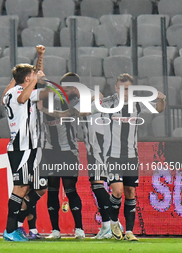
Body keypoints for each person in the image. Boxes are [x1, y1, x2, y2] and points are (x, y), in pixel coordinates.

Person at [98, 73, 166, 241]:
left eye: (127, 89)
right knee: (118, 190)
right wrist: (94, 98)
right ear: (116, 88)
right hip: (112, 156)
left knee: (130, 192)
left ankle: (129, 231)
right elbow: (91, 108)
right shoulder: (109, 103)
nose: (124, 92)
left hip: (131, 157)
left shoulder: (137, 105)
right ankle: (114, 221)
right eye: (121, 88)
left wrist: (161, 99)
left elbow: (158, 109)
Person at [2, 63, 49, 241]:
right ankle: (10, 229)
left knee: (37, 186)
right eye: (32, 76)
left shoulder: (9, 92)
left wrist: (35, 76)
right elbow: (23, 98)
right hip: (22, 147)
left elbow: (6, 99)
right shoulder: (20, 94)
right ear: (28, 79)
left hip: (30, 148)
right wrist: (39, 80)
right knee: (20, 188)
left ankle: (18, 225)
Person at [37, 73, 85, 240]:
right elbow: (37, 88)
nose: (65, 89)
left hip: (69, 151)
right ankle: (55, 230)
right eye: (63, 86)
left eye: (70, 87)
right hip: (50, 151)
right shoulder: (48, 96)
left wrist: (42, 109)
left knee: (70, 189)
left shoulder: (78, 101)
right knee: (52, 190)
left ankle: (79, 229)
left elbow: (65, 114)